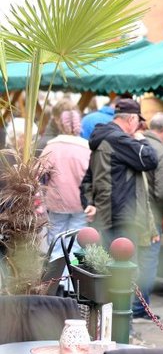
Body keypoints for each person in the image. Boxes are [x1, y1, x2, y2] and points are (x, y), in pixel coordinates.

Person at [80, 98, 158, 248]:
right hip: (121, 219)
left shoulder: (102, 138)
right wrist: (142, 140)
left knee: (105, 267)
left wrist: (89, 203)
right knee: (125, 268)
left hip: (104, 217)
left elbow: (88, 179)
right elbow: (150, 159)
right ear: (131, 118)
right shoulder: (118, 139)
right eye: (138, 122)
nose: (138, 127)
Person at [131, 112, 163, 319]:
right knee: (148, 261)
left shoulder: (133, 144)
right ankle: (140, 307)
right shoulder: (162, 152)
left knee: (130, 260)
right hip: (150, 216)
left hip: (129, 212)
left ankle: (130, 304)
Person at [40, 108, 90, 253]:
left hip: (57, 201)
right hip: (81, 202)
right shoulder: (87, 147)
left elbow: (38, 171)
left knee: (56, 241)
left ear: (61, 125)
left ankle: (57, 273)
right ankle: (72, 273)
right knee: (76, 242)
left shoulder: (53, 146)